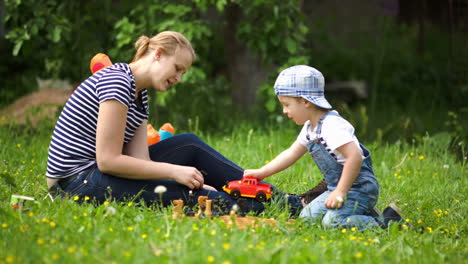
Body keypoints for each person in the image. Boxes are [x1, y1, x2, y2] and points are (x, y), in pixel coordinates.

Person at [45, 31, 302, 214]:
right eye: (177, 68)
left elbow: (141, 162)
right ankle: (288, 208)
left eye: (183, 72)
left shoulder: (139, 93)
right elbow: (108, 161)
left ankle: (287, 200)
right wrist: (175, 174)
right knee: (211, 200)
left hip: (98, 174)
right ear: (157, 54)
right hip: (76, 182)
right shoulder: (118, 82)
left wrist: (186, 177)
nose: (178, 77)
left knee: (189, 144)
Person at [244, 65, 404, 230]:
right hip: (337, 188)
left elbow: (354, 157)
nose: (284, 111)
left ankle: (388, 223)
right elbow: (290, 154)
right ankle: (361, 214)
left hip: (358, 188)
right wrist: (262, 172)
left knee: (331, 223)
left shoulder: (332, 126)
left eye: (286, 105)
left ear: (305, 101)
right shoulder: (310, 128)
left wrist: (340, 192)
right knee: (306, 218)